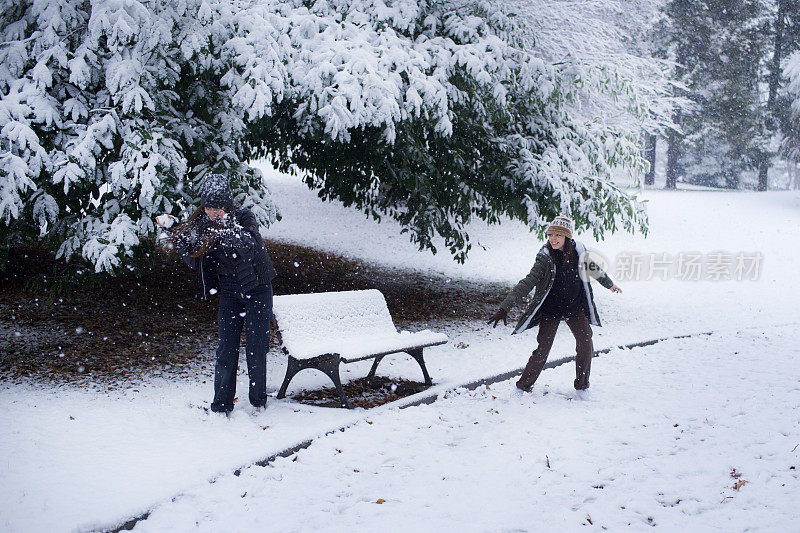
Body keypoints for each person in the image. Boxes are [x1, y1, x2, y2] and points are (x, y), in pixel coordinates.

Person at [158, 174, 277, 414]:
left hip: (258, 289)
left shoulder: (244, 217)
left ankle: (258, 401)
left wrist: (228, 225)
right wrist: (175, 232)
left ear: (227, 204)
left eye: (218, 207)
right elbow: (194, 261)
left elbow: (250, 248)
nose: (213, 212)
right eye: (209, 207)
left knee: (256, 347)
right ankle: (221, 405)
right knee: (226, 349)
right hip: (230, 294)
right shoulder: (203, 223)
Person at [488, 216, 621, 392]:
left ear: (567, 237)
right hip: (551, 310)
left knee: (586, 341)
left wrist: (609, 284)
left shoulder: (579, 252)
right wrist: (505, 307)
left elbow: (594, 268)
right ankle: (523, 385)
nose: (553, 238)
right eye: (550, 234)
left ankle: (582, 385)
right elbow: (528, 282)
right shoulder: (545, 257)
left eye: (558, 234)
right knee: (543, 349)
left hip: (574, 308)